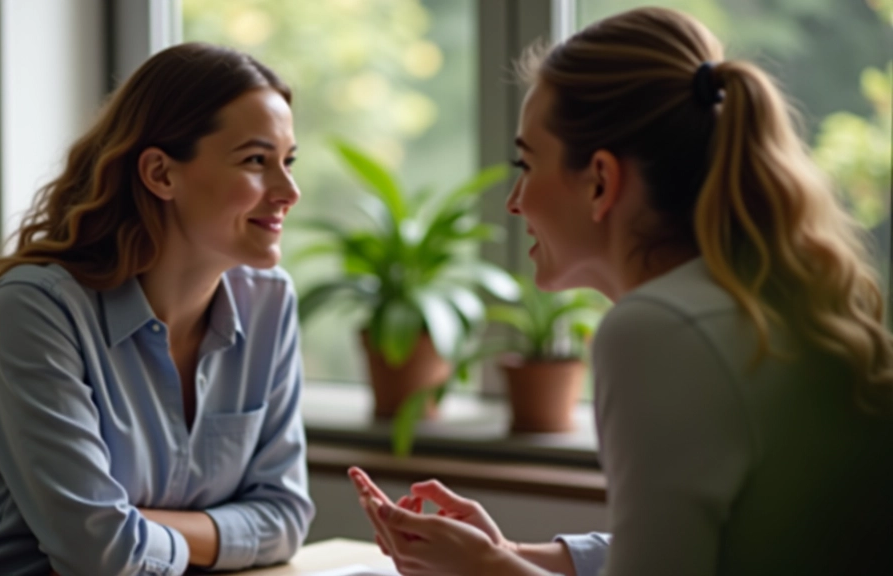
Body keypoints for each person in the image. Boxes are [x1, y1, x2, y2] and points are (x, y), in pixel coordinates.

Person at [350, 6, 893, 576]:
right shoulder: (769, 297)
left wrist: (486, 571)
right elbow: (707, 545)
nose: (514, 201)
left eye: (526, 164)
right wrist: (511, 556)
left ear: (602, 181)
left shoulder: (658, 329)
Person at [0, 42, 314, 575]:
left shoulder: (270, 303)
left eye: (287, 162)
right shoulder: (38, 308)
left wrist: (138, 524)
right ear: (160, 173)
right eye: (255, 161)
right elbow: (98, 555)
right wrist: (190, 533)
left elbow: (285, 518)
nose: (288, 191)